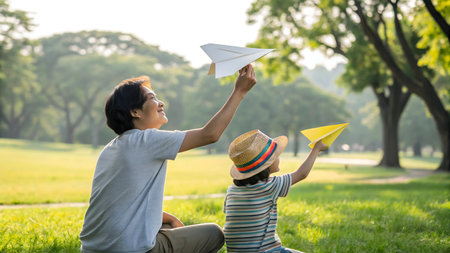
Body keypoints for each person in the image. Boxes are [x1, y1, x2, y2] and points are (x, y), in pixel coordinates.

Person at [79, 64, 257, 253]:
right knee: (214, 233)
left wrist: (168, 218)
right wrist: (240, 91)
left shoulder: (112, 148)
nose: (160, 102)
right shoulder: (146, 140)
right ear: (135, 112)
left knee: (166, 228)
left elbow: (118, 205)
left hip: (92, 249)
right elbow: (210, 135)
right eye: (152, 98)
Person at [223, 129, 328, 253]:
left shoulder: (232, 190)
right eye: (276, 156)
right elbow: (301, 174)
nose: (279, 158)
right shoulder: (269, 186)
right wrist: (316, 149)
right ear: (266, 165)